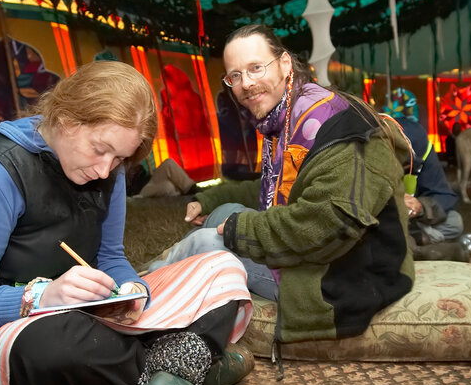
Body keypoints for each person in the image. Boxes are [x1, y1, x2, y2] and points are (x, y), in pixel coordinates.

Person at [0, 61, 253, 385]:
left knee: (220, 266)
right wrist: (40, 299)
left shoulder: (109, 171)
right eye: (100, 149)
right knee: (57, 353)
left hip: (90, 319)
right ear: (65, 118)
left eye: (118, 159)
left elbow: (111, 257)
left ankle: (166, 368)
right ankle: (187, 359)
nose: (105, 169)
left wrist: (132, 292)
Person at [149, 25, 414, 352]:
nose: (245, 84)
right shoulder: (286, 116)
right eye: (235, 76)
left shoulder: (335, 125)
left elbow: (326, 227)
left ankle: (142, 296)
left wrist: (239, 232)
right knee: (223, 213)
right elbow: (275, 186)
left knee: (210, 241)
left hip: (347, 272)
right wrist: (211, 198)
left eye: (255, 68)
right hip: (324, 250)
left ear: (286, 64)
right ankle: (175, 285)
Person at [397, 117, 469, 261]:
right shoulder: (370, 153)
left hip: (412, 222)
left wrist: (421, 206)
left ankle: (414, 241)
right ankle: (419, 247)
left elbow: (445, 196)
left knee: (455, 222)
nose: (407, 169)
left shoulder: (422, 149)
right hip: (382, 221)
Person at [127, 157, 199, 197]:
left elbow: (143, 174)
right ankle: (180, 191)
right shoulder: (119, 167)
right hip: (140, 191)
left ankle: (190, 187)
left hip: (149, 181)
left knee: (168, 162)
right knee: (168, 186)